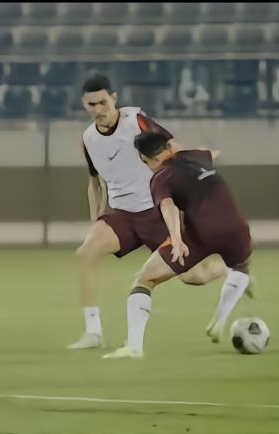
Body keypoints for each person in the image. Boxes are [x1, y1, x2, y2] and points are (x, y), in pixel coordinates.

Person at [70, 74, 227, 351]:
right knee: (86, 252)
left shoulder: (136, 122)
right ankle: (93, 332)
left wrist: (198, 165)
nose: (98, 109)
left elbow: (173, 151)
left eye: (103, 102)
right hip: (123, 216)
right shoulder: (88, 139)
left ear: (114, 98)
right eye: (91, 104)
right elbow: (94, 182)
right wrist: (96, 221)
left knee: (194, 277)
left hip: (157, 212)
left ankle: (231, 269)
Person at [103, 131, 253, 358]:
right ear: (169, 147)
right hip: (237, 228)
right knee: (241, 267)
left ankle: (134, 347)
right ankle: (219, 321)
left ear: (145, 159)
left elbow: (168, 206)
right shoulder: (196, 156)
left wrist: (176, 239)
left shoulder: (161, 177)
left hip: (201, 233)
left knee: (145, 280)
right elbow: (209, 152)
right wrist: (211, 155)